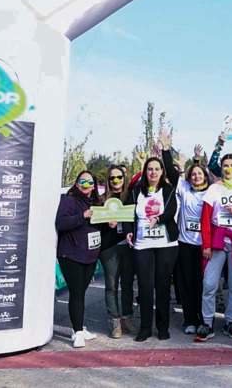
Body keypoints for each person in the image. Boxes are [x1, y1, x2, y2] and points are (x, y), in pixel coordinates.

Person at [126, 134, 181, 342]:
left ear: (161, 172)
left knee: (163, 286)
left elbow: (170, 211)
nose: (153, 172)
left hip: (166, 243)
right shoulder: (136, 192)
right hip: (142, 244)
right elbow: (129, 213)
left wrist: (166, 150)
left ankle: (163, 326)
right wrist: (129, 230)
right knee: (145, 287)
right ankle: (145, 328)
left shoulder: (168, 189)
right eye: (150, 169)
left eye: (157, 169)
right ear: (145, 171)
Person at [197, 154, 232, 341]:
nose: (229, 169)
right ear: (221, 168)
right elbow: (205, 219)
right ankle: (207, 322)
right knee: (209, 283)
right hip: (218, 240)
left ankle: (231, 320)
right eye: (225, 165)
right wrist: (206, 244)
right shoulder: (213, 189)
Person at [55, 171, 103, 348]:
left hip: (90, 256)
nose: (86, 185)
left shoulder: (97, 203)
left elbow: (101, 227)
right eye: (82, 181)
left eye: (90, 182)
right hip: (71, 254)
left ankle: (79, 327)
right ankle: (77, 333)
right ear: (76, 184)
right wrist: (82, 216)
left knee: (81, 293)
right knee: (76, 293)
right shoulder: (69, 200)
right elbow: (60, 223)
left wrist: (110, 223)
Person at [175, 145, 211, 335]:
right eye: (193, 174)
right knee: (187, 283)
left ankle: (204, 319)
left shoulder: (212, 192)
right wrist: (180, 164)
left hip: (205, 246)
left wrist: (199, 158)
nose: (196, 176)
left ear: (205, 176)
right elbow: (176, 179)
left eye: (199, 173)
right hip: (186, 244)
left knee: (203, 284)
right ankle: (189, 319)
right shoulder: (185, 190)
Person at [98, 166, 131, 338]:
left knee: (127, 284)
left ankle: (126, 317)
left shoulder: (131, 196)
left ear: (124, 178)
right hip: (109, 247)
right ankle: (114, 321)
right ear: (108, 181)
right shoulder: (102, 199)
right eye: (112, 178)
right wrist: (106, 223)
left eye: (119, 177)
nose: (116, 181)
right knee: (111, 285)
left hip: (128, 245)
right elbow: (94, 222)